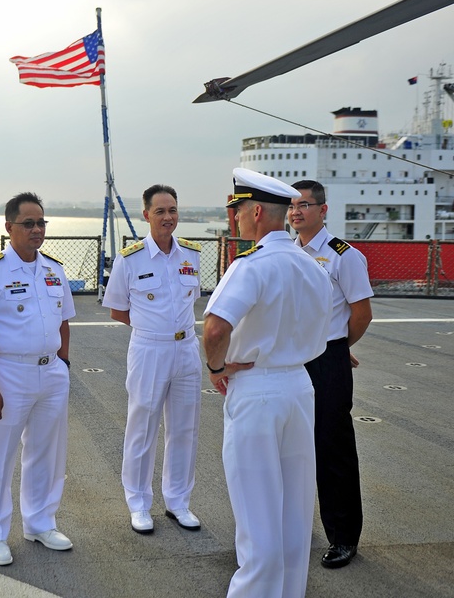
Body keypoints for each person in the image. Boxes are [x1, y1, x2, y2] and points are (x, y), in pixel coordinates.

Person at [203, 168, 331, 598]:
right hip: (299, 386)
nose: (235, 218)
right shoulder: (311, 265)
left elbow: (216, 328)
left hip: (257, 389)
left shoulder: (250, 265)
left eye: (238, 210)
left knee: (257, 515)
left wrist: (217, 368)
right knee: (294, 514)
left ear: (256, 211)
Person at [0, 192, 76, 566]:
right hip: (9, 373)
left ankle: (40, 522)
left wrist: (63, 364)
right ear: (9, 227)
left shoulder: (54, 269)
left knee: (46, 452)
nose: (37, 229)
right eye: (28, 223)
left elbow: (63, 321)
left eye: (41, 222)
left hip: (51, 373)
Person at [102, 184, 204, 534]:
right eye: (160, 211)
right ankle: (139, 503)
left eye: (172, 210)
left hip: (187, 348)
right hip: (149, 348)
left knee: (184, 428)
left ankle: (178, 502)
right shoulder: (130, 259)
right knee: (142, 427)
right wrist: (152, 328)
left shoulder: (191, 254)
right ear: (146, 214)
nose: (168, 217)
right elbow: (118, 310)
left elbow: (193, 301)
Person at [289, 180, 373, 569]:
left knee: (332, 448)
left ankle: (343, 536)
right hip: (293, 358)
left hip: (328, 360)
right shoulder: (288, 253)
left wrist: (338, 350)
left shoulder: (344, 256)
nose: (296, 212)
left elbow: (361, 314)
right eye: (292, 206)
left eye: (305, 205)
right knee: (293, 445)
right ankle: (296, 523)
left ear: (323, 210)